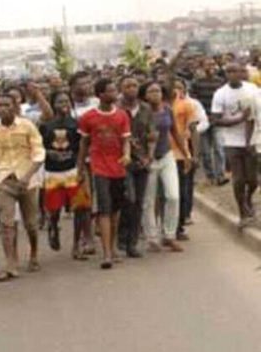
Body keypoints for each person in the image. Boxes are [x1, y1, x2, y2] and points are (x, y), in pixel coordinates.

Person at [0, 91, 45, 280]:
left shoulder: (27, 126)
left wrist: (27, 176)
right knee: (7, 223)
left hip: (27, 178)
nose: (3, 109)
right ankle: (11, 263)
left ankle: (34, 253)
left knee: (31, 224)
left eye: (7, 105)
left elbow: (38, 154)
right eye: (0, 105)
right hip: (5, 179)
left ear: (15, 106)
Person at [77, 78, 131, 269]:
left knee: (115, 210)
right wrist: (80, 169)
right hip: (98, 168)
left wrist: (126, 155)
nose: (114, 93)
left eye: (115, 90)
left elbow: (126, 140)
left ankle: (113, 246)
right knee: (104, 209)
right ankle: (106, 253)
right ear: (100, 95)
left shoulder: (122, 116)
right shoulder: (88, 117)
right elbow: (83, 144)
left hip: (118, 167)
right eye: (110, 91)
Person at [39, 91, 90, 259]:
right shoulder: (46, 126)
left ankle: (76, 245)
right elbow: (38, 148)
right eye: (60, 101)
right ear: (53, 104)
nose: (64, 104)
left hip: (72, 170)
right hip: (52, 172)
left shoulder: (76, 124)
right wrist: (49, 153)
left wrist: (80, 166)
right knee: (54, 209)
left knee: (80, 208)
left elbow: (82, 147)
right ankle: (53, 226)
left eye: (67, 100)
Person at [140, 81, 188, 253]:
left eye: (158, 90)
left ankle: (169, 235)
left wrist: (186, 154)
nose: (155, 94)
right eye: (151, 91)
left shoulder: (167, 109)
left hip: (167, 155)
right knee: (149, 200)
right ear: (145, 95)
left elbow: (175, 132)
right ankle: (152, 238)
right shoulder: (141, 113)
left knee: (173, 195)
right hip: (148, 159)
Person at [210, 62, 259, 228]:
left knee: (253, 179)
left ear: (242, 72)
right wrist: (238, 119)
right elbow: (215, 119)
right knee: (238, 179)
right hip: (231, 141)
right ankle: (242, 213)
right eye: (228, 71)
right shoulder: (220, 94)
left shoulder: (252, 90)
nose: (232, 74)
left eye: (235, 71)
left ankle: (248, 198)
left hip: (252, 139)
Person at [118, 75, 156, 258]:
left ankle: (132, 242)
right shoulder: (116, 109)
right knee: (129, 199)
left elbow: (151, 135)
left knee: (139, 202)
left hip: (142, 161)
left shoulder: (146, 109)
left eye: (134, 85)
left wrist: (149, 156)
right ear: (121, 89)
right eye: (127, 86)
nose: (131, 89)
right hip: (123, 160)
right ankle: (122, 235)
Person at [190, 57, 228, 186]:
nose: (211, 67)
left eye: (213, 64)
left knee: (219, 148)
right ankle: (210, 175)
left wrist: (218, 116)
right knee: (205, 151)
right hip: (203, 121)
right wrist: (203, 117)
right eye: (208, 64)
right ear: (202, 67)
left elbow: (225, 101)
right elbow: (194, 103)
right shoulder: (196, 83)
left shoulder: (221, 82)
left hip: (217, 120)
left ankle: (220, 175)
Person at [171, 78, 199, 240]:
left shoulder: (186, 105)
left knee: (180, 192)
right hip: (161, 154)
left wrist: (194, 155)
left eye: (178, 87)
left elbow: (193, 129)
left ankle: (178, 226)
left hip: (181, 154)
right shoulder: (158, 105)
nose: (175, 90)